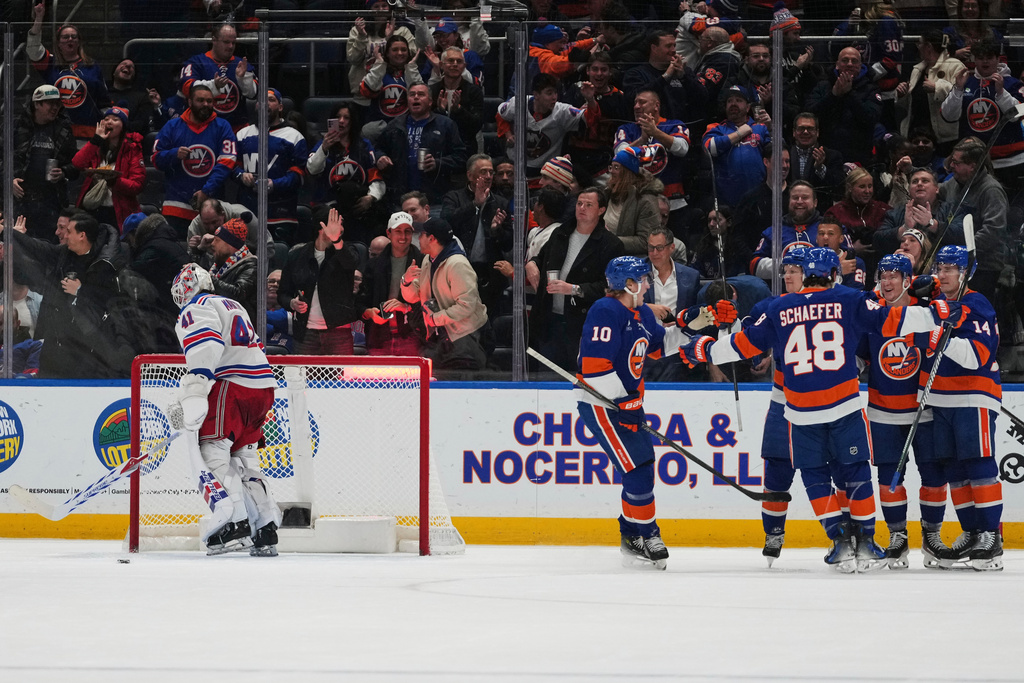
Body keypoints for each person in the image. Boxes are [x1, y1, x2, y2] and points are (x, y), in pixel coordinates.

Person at [682, 247, 967, 572]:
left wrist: (704, 350)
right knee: (856, 473)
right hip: (843, 407)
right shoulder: (848, 299)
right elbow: (893, 321)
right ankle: (866, 542)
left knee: (816, 477)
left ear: (805, 275)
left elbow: (745, 345)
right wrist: (939, 310)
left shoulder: (780, 307)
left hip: (801, 411)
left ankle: (839, 541)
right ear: (833, 274)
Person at [169, 263, 281, 556]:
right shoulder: (231, 303)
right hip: (263, 387)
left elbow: (205, 344)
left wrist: (195, 389)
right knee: (244, 461)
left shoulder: (197, 306)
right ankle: (266, 528)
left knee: (212, 454)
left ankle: (236, 524)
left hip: (232, 386)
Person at [575, 256, 669, 569]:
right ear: (628, 284)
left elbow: (659, 346)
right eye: (642, 278)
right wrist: (626, 401)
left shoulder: (641, 312)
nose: (647, 283)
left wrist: (695, 325)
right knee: (638, 468)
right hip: (602, 404)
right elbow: (595, 368)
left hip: (627, 404)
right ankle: (647, 532)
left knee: (642, 466)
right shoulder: (606, 309)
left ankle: (631, 534)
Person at [914, 245, 1004, 570]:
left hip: (972, 397)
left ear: (965, 272)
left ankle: (991, 538)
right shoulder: (943, 306)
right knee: (954, 470)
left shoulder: (976, 303)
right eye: (941, 267)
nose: (943, 273)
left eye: (951, 268)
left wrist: (938, 338)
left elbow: (976, 357)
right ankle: (971, 532)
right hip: (941, 400)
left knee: (979, 466)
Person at [858, 253, 944, 569]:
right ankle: (898, 536)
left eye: (895, 276)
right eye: (884, 275)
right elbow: (860, 358)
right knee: (888, 478)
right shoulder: (873, 317)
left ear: (908, 281)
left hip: (924, 411)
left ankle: (932, 536)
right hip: (883, 412)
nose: (888, 281)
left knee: (934, 475)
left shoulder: (926, 315)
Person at [7, 212, 123, 378]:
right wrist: (10, 232)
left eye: (69, 231)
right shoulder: (64, 254)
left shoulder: (105, 264)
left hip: (86, 351)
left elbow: (107, 302)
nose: (64, 236)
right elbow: (37, 248)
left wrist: (80, 292)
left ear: (82, 235)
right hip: (55, 345)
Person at [526, 187, 626, 371]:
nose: (582, 208)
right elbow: (542, 257)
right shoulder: (560, 233)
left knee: (578, 377)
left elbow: (610, 288)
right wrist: (532, 263)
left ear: (601, 210)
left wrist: (573, 289)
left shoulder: (611, 245)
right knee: (547, 379)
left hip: (582, 325)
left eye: (589, 205)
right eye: (579, 203)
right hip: (550, 320)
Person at [400, 217, 488, 371]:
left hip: (467, 336)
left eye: (421, 234)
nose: (418, 238)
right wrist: (406, 281)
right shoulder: (428, 259)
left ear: (432, 238)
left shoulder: (457, 264)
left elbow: (466, 306)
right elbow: (413, 296)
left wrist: (434, 319)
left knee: (457, 383)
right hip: (444, 335)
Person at [152, 85, 238, 237]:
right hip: (176, 205)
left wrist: (207, 191)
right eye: (201, 100)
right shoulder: (172, 126)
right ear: (190, 102)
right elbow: (156, 159)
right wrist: (174, 154)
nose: (206, 104)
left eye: (209, 101)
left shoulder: (222, 127)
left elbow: (226, 163)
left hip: (212, 210)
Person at [277, 207, 362, 355]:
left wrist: (336, 240)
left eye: (341, 224)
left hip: (338, 333)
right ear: (322, 226)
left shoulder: (346, 251)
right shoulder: (297, 255)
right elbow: (283, 293)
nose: (341, 228)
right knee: (303, 377)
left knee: (340, 378)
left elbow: (351, 263)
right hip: (305, 333)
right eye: (336, 223)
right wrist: (292, 303)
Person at [939, 40, 1024, 185]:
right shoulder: (966, 82)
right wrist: (958, 89)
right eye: (980, 57)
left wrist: (1001, 93)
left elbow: (1018, 116)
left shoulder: (1013, 84)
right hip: (976, 162)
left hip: (1012, 160)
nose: (985, 61)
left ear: (998, 59)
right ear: (974, 59)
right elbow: (948, 116)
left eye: (989, 57)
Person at [26, 4, 110, 141]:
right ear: (58, 43)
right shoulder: (50, 63)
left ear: (79, 42)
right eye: (65, 37)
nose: (70, 39)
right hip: (56, 134)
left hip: (88, 134)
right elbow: (33, 50)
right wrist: (39, 19)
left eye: (73, 36)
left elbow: (104, 101)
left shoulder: (92, 66)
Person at [497, 73, 598, 188]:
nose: (554, 97)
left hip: (545, 177)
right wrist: (508, 133)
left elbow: (589, 120)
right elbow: (500, 114)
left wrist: (590, 100)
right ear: (536, 95)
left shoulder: (562, 112)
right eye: (549, 93)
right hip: (514, 172)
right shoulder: (518, 103)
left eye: (555, 92)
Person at [233, 88, 307, 245]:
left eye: (271, 100)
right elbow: (233, 166)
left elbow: (299, 174)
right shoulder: (242, 134)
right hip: (248, 212)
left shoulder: (294, 136)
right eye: (261, 100)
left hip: (281, 213)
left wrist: (274, 184)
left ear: (281, 107)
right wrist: (241, 175)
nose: (265, 103)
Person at [938, 137, 1007, 302]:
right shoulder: (952, 185)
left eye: (956, 162)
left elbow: (993, 232)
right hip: (955, 265)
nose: (951, 166)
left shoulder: (991, 190)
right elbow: (931, 188)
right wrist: (912, 170)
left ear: (972, 166)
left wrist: (965, 253)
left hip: (984, 267)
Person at [375, 83, 467, 208]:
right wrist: (381, 157)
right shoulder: (395, 125)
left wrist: (438, 163)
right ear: (408, 101)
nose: (416, 97)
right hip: (400, 200)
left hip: (434, 199)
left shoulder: (445, 125)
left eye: (421, 94)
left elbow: (461, 158)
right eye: (412, 95)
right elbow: (378, 149)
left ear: (430, 102)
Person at [441, 154, 512, 316]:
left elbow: (508, 244)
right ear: (470, 175)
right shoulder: (454, 197)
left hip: (489, 275)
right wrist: (474, 204)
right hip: (459, 271)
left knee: (490, 327)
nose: (488, 176)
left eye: (491, 172)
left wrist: (496, 230)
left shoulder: (500, 202)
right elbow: (446, 223)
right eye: (483, 172)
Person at [306, 102, 383, 246]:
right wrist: (324, 148)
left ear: (352, 121)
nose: (341, 121)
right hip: (328, 208)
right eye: (338, 117)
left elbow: (376, 177)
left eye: (346, 118)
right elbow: (312, 169)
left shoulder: (364, 146)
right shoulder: (322, 144)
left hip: (357, 209)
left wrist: (371, 197)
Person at [10, 84, 79, 242]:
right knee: (19, 248)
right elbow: (2, 159)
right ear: (37, 104)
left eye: (58, 104)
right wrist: (9, 180)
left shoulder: (64, 129)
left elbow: (76, 166)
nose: (55, 107)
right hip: (20, 202)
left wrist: (64, 172)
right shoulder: (16, 126)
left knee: (49, 248)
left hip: (52, 202)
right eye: (50, 103)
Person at [613, 88, 691, 226]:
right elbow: (619, 156)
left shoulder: (673, 125)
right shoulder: (626, 129)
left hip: (672, 201)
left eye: (642, 102)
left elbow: (682, 148)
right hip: (636, 200)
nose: (636, 106)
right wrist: (642, 140)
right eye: (635, 103)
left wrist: (656, 132)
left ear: (656, 106)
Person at [71, 107, 145, 232]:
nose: (109, 122)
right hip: (93, 210)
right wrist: (96, 140)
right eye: (106, 119)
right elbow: (77, 163)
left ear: (123, 126)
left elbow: (137, 185)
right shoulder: (96, 145)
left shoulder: (132, 149)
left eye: (115, 120)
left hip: (119, 212)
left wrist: (115, 182)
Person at [895, 29, 967, 157]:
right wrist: (902, 94)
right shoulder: (917, 69)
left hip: (943, 137)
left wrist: (937, 88)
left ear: (928, 46)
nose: (918, 47)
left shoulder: (955, 66)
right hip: (917, 134)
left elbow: (962, 94)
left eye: (920, 44)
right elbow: (910, 104)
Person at [806, 47, 882, 167]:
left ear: (860, 65)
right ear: (837, 64)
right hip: (826, 154)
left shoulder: (871, 89)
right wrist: (833, 95)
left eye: (854, 61)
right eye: (845, 60)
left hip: (859, 156)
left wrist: (849, 94)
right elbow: (810, 115)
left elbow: (871, 118)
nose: (850, 64)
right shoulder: (823, 85)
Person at [641, 228, 700, 382]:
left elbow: (694, 313)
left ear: (671, 248)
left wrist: (682, 321)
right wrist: (647, 308)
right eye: (650, 247)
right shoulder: (636, 272)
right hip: (644, 348)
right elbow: (620, 304)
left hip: (676, 350)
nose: (654, 253)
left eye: (659, 248)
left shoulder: (691, 276)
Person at [361, 211, 423, 356]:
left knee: (413, 378)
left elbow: (431, 301)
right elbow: (360, 301)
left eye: (407, 231)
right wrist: (369, 312)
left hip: (412, 336)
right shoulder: (374, 265)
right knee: (377, 379)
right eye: (398, 231)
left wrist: (407, 307)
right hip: (379, 336)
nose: (403, 237)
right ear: (389, 234)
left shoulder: (423, 262)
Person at [177, 23, 257, 132]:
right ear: (214, 40)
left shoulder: (241, 64)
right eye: (226, 42)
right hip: (203, 128)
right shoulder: (196, 63)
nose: (230, 46)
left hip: (237, 129)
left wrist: (243, 79)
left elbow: (253, 94)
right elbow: (187, 88)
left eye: (233, 43)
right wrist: (213, 86)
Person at [702, 85, 772, 208]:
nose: (733, 104)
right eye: (730, 101)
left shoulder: (760, 127)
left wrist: (771, 129)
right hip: (726, 200)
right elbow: (709, 148)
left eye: (739, 100)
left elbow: (776, 155)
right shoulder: (716, 128)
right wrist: (739, 133)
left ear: (748, 107)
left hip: (758, 198)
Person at [873, 167, 965, 259]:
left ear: (937, 189)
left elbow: (962, 236)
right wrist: (905, 228)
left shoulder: (952, 209)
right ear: (909, 190)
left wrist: (933, 224)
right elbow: (877, 241)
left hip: (941, 266)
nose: (919, 184)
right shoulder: (895, 213)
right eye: (915, 182)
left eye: (925, 181)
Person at [622, 30, 707, 125]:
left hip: (681, 131)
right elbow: (633, 97)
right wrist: (666, 77)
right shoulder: (636, 74)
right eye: (668, 46)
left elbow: (703, 97)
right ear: (654, 48)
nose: (673, 50)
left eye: (674, 45)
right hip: (650, 129)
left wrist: (684, 77)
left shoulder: (684, 71)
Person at [823, 167, 891, 268]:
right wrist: (851, 249)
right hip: (847, 267)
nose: (867, 191)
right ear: (850, 187)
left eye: (870, 186)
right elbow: (827, 243)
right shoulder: (835, 213)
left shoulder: (883, 209)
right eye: (862, 187)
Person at [359, 34, 424, 136]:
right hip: (381, 125)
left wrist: (411, 68)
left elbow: (420, 96)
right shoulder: (379, 71)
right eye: (395, 50)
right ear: (387, 53)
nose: (400, 53)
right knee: (368, 130)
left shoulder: (412, 71)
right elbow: (367, 91)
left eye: (403, 50)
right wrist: (380, 64)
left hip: (407, 125)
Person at [604, 146, 662, 256]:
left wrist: (611, 240)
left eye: (616, 167)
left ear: (627, 172)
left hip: (628, 260)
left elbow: (647, 241)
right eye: (611, 167)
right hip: (605, 252)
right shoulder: (607, 192)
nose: (611, 172)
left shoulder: (645, 200)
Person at [186, 199, 272, 270]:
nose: (211, 228)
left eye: (214, 222)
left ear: (223, 214)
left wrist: (257, 272)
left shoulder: (242, 216)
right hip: (212, 272)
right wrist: (196, 249)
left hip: (247, 266)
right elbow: (190, 265)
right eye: (206, 224)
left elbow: (267, 244)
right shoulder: (195, 226)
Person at [429, 47, 484, 156]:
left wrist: (458, 110)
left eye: (459, 61)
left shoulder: (474, 91)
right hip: (437, 149)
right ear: (441, 65)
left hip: (465, 148)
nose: (455, 64)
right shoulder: (432, 90)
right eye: (450, 61)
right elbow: (426, 123)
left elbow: (476, 126)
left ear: (464, 66)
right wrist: (439, 110)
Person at [206, 217, 258, 320]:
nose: (212, 243)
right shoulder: (218, 263)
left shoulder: (251, 265)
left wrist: (207, 279)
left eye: (217, 240)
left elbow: (239, 293)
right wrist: (197, 251)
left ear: (230, 244)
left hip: (240, 327)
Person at [788, 113, 845, 206]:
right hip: (788, 211)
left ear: (817, 132)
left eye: (810, 129)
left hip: (820, 213)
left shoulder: (832, 156)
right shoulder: (784, 155)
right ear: (794, 132)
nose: (805, 132)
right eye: (801, 128)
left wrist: (820, 168)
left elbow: (839, 187)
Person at [107, 58, 167, 136]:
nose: (128, 65)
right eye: (123, 63)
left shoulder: (142, 98)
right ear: (114, 72)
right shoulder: (104, 95)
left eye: (132, 67)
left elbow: (141, 125)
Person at [689, 205, 751, 279]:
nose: (711, 224)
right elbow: (694, 275)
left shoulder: (739, 248)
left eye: (717, 220)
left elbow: (744, 276)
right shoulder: (702, 248)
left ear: (729, 223)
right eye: (709, 221)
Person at [816, 217, 866, 290]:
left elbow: (853, 296)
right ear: (816, 239)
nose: (825, 237)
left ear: (841, 239)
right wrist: (837, 270)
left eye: (831, 234)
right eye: (821, 233)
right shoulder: (807, 263)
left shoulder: (854, 263)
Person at [265, 268, 294, 354]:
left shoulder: (292, 308)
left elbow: (282, 318)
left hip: (285, 363)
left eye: (280, 283)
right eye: (271, 281)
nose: (274, 284)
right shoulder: (256, 306)